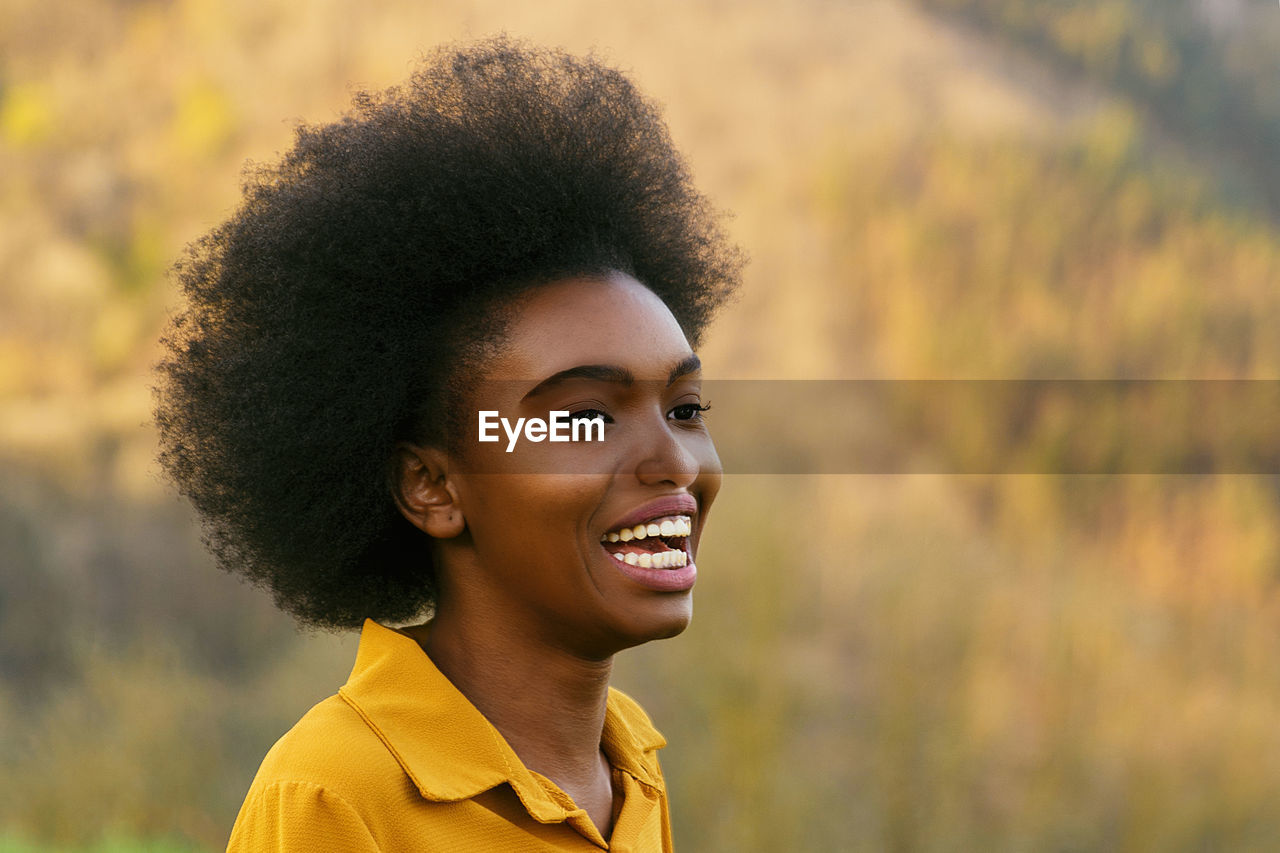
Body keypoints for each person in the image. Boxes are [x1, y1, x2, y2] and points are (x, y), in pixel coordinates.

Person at [154, 36, 743, 851]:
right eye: (582, 419)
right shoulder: (335, 794)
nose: (676, 463)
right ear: (431, 484)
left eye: (684, 408)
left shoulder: (629, 758)